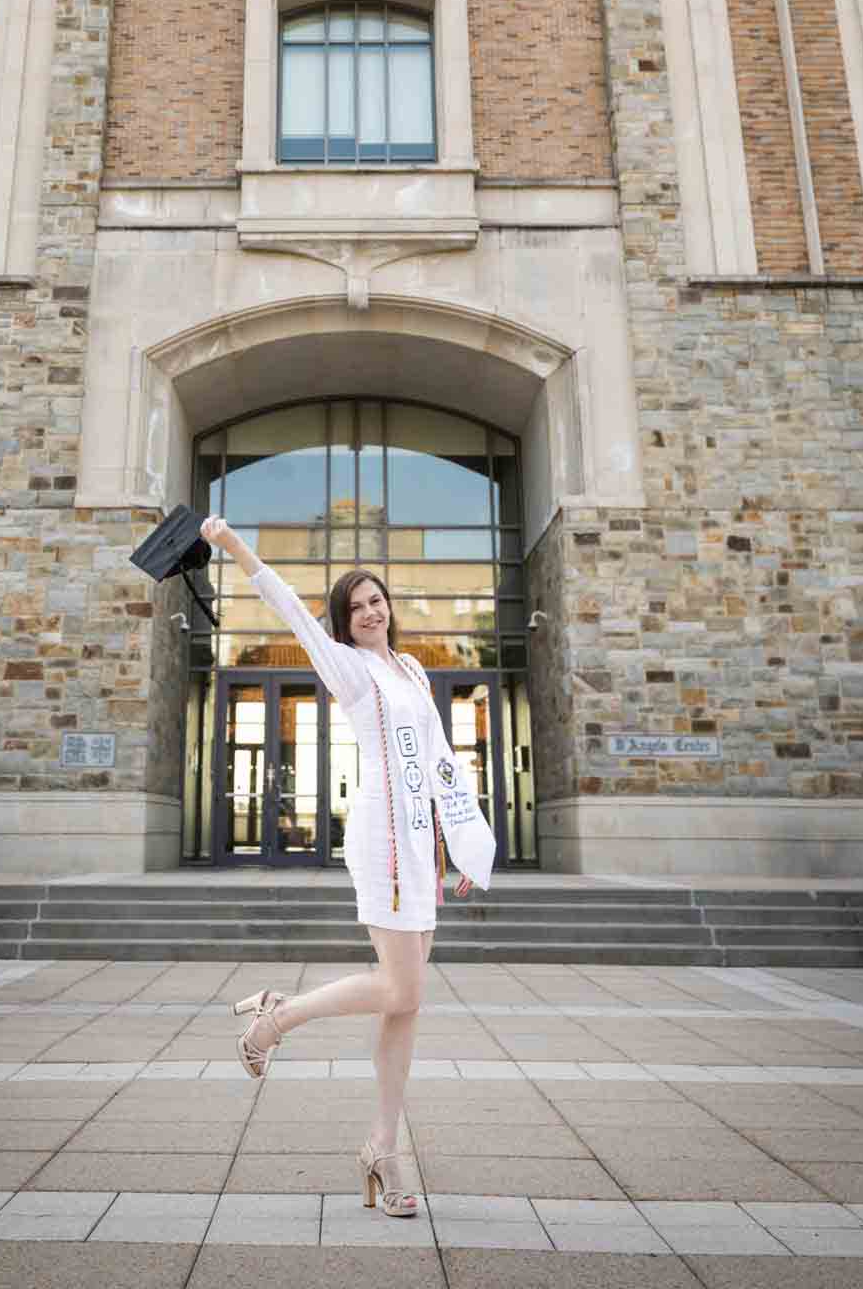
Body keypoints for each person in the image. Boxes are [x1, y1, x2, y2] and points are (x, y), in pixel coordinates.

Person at [200, 513, 496, 1216]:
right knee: (399, 989)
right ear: (345, 619)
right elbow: (289, 612)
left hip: (420, 843)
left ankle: (383, 1150)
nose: (369, 611)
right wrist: (237, 547)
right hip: (381, 842)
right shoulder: (350, 667)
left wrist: (465, 842)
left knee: (408, 1003)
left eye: (376, 600)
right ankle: (275, 1018)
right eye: (356, 606)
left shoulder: (414, 668)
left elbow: (440, 764)